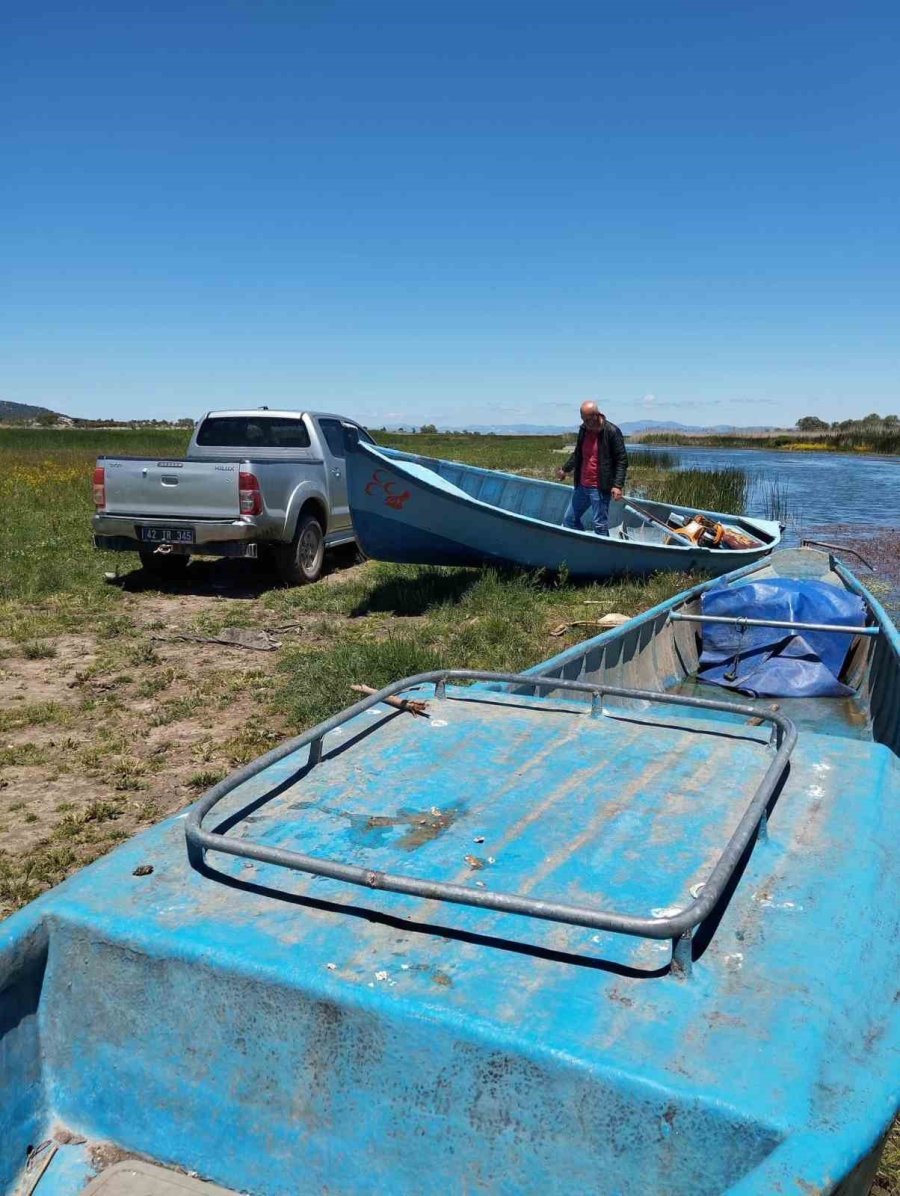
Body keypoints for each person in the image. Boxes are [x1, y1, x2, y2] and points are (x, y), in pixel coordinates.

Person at [556, 401, 627, 536]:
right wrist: (565, 470)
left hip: (599, 488)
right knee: (569, 519)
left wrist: (618, 485)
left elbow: (621, 460)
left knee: (599, 525)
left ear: (597, 415)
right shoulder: (584, 430)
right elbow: (578, 454)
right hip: (582, 485)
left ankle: (604, 554)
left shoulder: (612, 431)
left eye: (588, 419)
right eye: (583, 419)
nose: (586, 423)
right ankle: (583, 547)